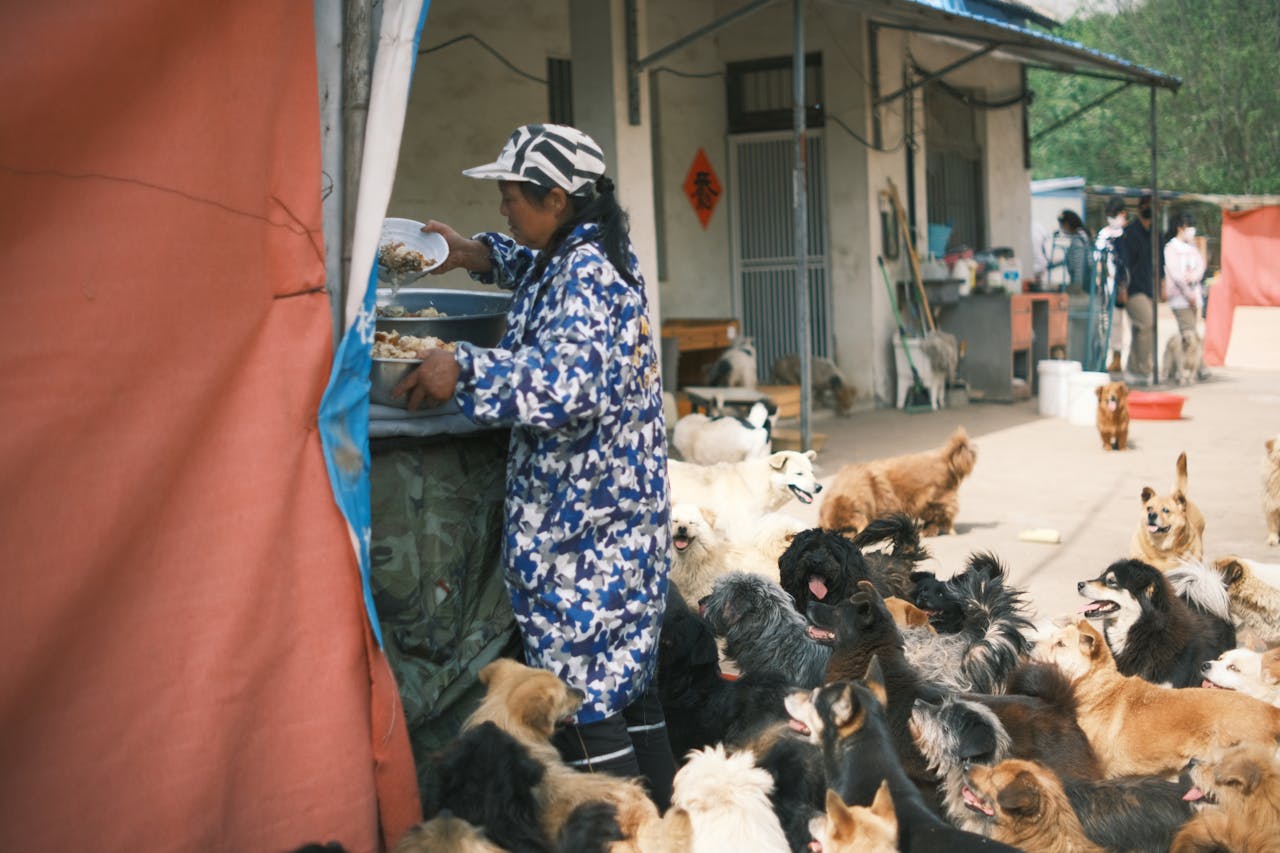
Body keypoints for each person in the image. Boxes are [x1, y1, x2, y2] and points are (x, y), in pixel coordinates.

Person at [390, 124, 676, 806]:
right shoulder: (582, 248)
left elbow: (563, 383)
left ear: (554, 198)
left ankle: (620, 831)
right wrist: (473, 254)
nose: (503, 209)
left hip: (589, 536)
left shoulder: (585, 274)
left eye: (511, 197)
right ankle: (677, 825)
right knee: (629, 691)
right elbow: (531, 267)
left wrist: (461, 366)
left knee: (579, 700)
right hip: (618, 522)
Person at [1115, 195, 1156, 385]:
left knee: (1141, 328)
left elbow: (1159, 263)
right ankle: (1142, 368)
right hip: (1133, 288)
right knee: (1145, 323)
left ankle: (1132, 369)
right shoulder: (1130, 233)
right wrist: (1121, 286)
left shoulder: (1155, 234)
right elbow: (1122, 262)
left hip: (1149, 288)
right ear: (1140, 209)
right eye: (1146, 206)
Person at [1094, 196, 1128, 372]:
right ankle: (1109, 359)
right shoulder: (1104, 235)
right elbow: (1097, 260)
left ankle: (1120, 358)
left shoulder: (1127, 234)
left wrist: (1123, 286)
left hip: (1126, 286)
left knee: (1122, 323)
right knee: (1110, 322)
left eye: (1115, 214)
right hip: (1108, 287)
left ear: (1123, 213)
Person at [1047, 209, 1092, 293]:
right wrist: (1052, 266)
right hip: (1085, 283)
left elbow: (1079, 265)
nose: (1061, 228)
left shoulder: (1078, 240)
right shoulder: (1081, 236)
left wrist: (1076, 287)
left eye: (1062, 225)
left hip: (1083, 286)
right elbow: (1069, 259)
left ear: (1067, 224)